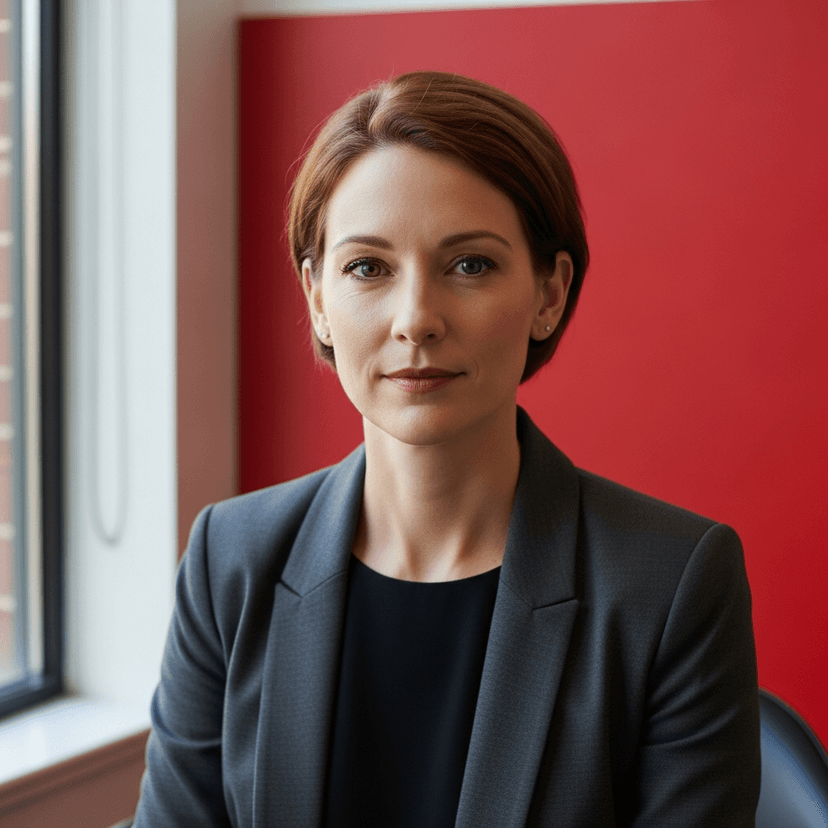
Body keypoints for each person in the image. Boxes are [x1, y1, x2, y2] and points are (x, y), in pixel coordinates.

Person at [133, 71, 760, 828]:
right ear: (318, 300)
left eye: (471, 265)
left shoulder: (672, 585)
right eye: (368, 267)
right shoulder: (227, 561)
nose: (417, 319)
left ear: (548, 294)